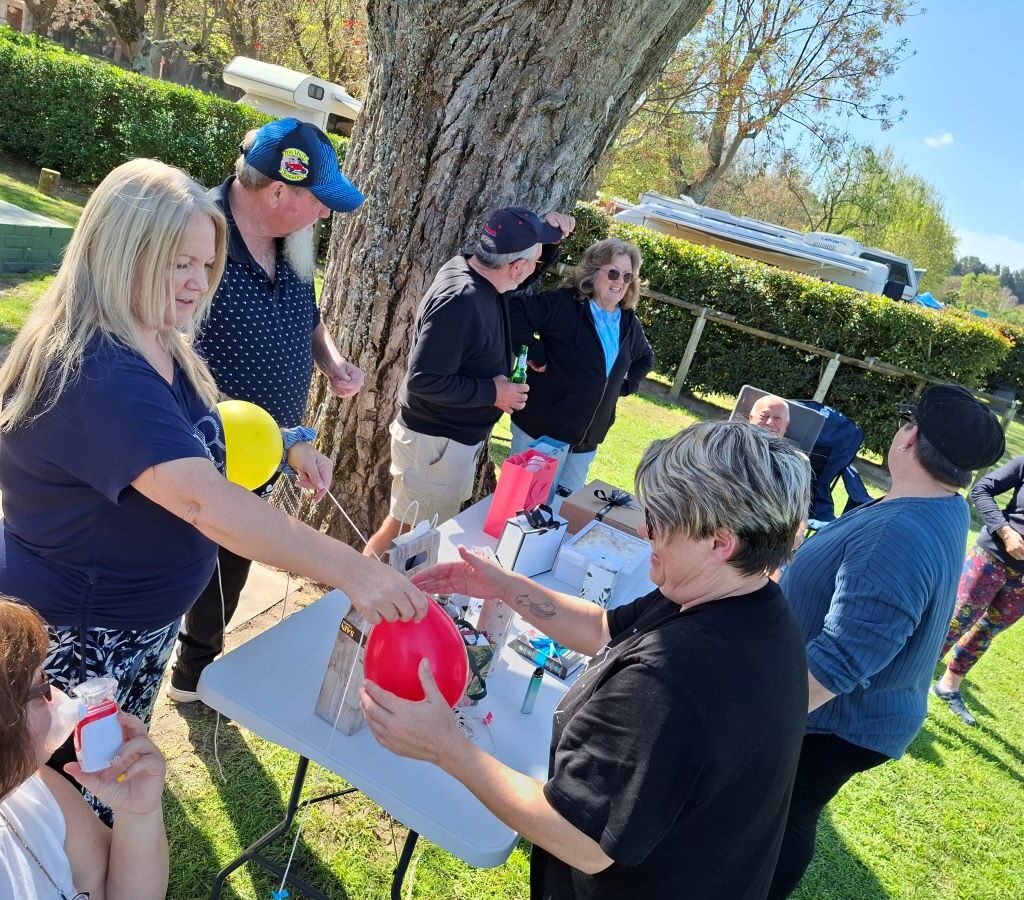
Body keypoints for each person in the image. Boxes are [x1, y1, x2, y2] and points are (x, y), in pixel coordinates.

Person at [0, 159, 426, 814]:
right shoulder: (98, 368)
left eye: (206, 265)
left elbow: (189, 432)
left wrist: (283, 443)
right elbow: (202, 496)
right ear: (121, 253)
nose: (199, 283)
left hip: (134, 624)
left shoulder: (151, 337)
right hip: (80, 638)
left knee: (110, 790)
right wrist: (356, 572)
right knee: (65, 814)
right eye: (179, 263)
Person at [362, 421, 812, 900]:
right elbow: (602, 627)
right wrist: (506, 586)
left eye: (660, 520)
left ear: (720, 543)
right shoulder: (744, 598)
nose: (643, 529)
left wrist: (445, 745)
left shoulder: (668, 681)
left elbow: (581, 839)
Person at [768, 385, 1005, 899]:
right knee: (785, 812)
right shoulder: (936, 504)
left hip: (831, 723)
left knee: (781, 816)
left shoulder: (898, 529)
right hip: (847, 718)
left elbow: (843, 659)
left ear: (910, 436)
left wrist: (757, 716)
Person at [170, 118, 368, 704]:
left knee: (234, 561)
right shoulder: (197, 239)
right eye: (320, 202)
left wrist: (330, 363)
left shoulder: (292, 243)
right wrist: (284, 435)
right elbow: (170, 358)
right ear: (278, 191)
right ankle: (178, 666)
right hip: (199, 447)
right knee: (188, 563)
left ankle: (196, 673)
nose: (327, 216)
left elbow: (307, 316)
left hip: (269, 450)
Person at [363, 207, 575, 558]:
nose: (535, 269)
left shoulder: (479, 273)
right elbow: (423, 382)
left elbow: (521, 275)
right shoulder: (461, 300)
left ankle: (365, 604)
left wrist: (549, 244)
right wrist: (496, 392)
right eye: (534, 261)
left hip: (445, 445)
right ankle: (355, 608)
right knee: (405, 536)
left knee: (410, 534)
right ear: (516, 267)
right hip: (436, 446)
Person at [1, 597, 168, 899]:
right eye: (41, 688)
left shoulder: (33, 789)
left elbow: (113, 891)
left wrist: (138, 813)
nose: (59, 696)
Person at [507, 238, 654, 495]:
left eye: (628, 276)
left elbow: (645, 357)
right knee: (520, 505)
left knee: (560, 514)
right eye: (613, 272)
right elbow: (512, 314)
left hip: (585, 443)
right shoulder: (564, 304)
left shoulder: (628, 322)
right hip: (541, 432)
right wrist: (536, 351)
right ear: (593, 271)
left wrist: (625, 386)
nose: (620, 281)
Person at [933, 454, 1024, 726]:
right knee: (955, 619)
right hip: (992, 556)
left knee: (986, 631)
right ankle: (907, 677)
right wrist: (1005, 531)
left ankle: (947, 686)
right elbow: (981, 489)